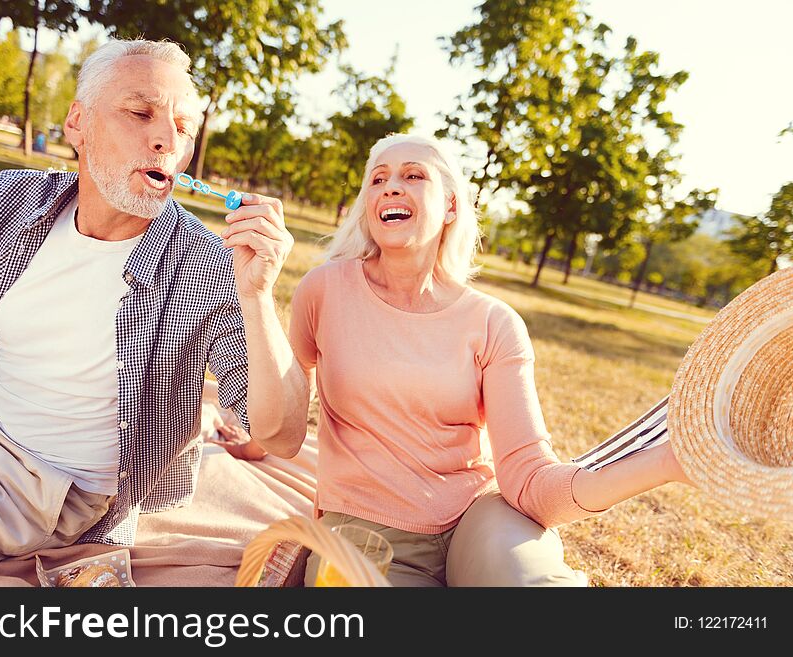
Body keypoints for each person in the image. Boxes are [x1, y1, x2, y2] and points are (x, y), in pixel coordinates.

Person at [0, 38, 307, 576]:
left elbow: (280, 435)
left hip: (31, 484)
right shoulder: (20, 198)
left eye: (184, 127)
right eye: (140, 112)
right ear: (78, 123)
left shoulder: (204, 266)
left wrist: (259, 294)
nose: (167, 139)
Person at [279, 133, 693, 587]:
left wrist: (666, 462)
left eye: (413, 175)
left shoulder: (494, 322)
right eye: (378, 179)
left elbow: (528, 478)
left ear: (452, 207)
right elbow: (286, 399)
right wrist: (250, 438)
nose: (391, 187)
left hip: (478, 518)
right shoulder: (324, 291)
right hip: (362, 532)